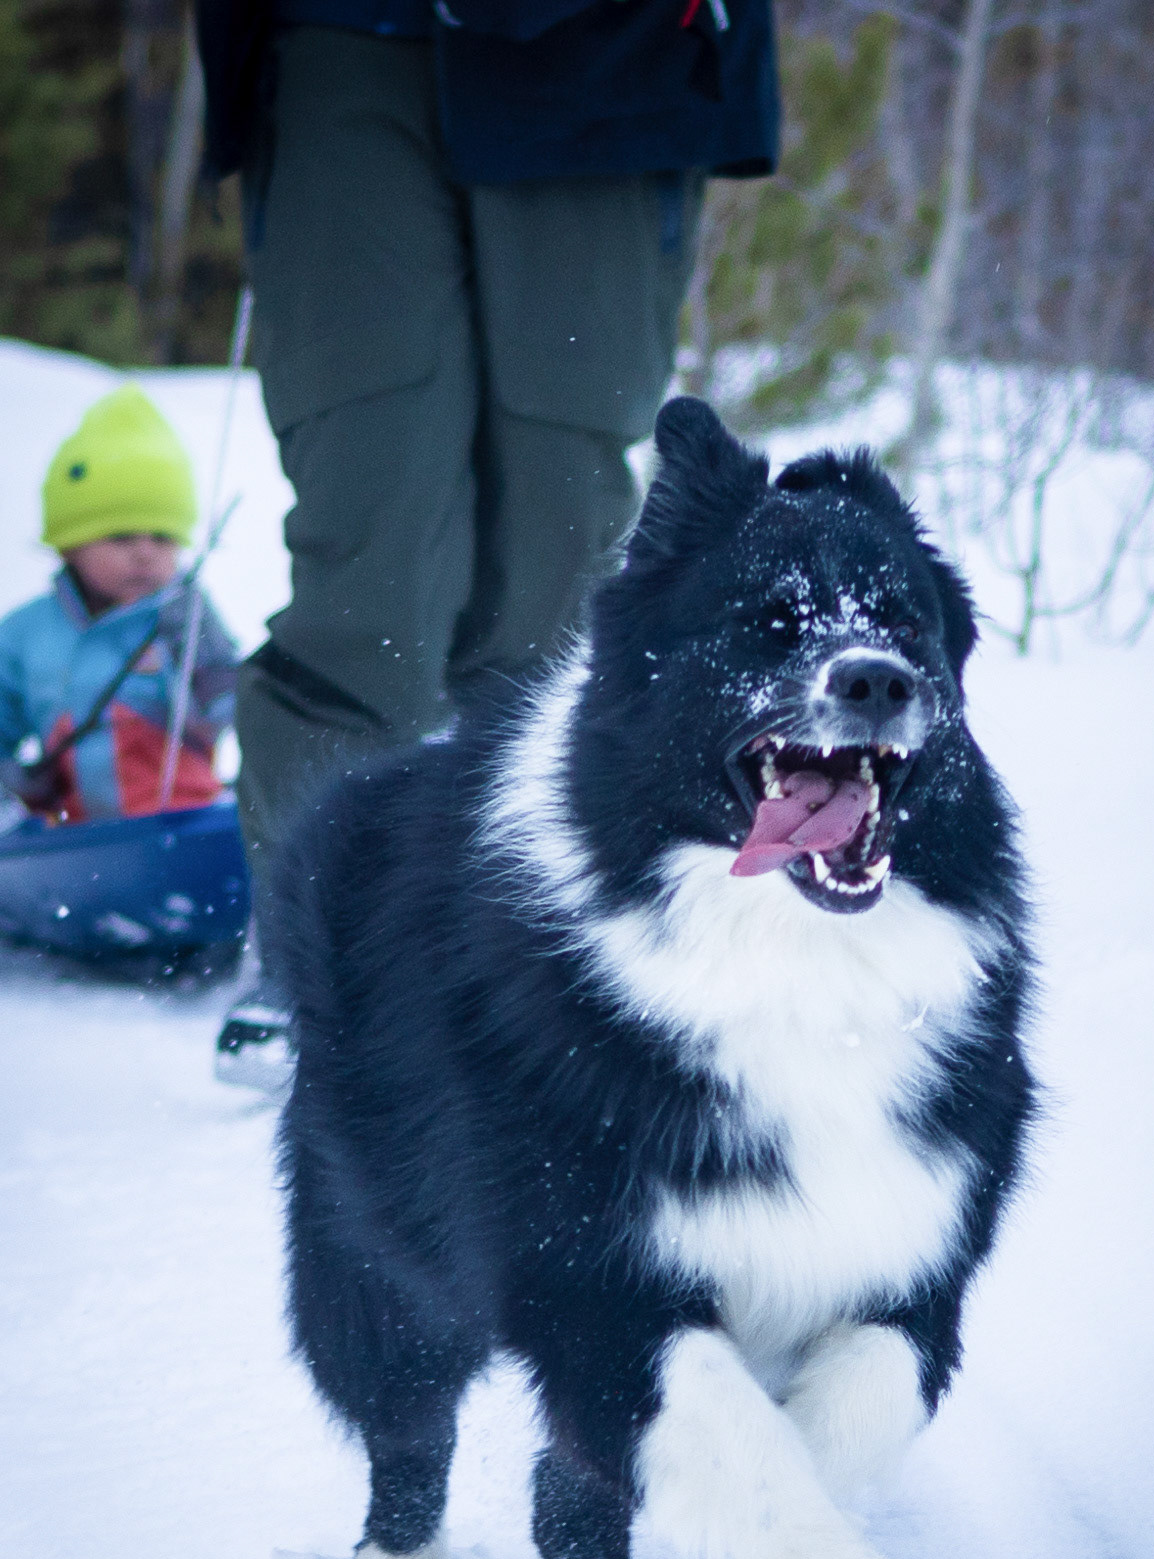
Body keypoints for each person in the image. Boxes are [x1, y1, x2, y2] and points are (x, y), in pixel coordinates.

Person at [197, 0, 779, 1088]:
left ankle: (526, 942)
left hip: (603, 55)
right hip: (341, 41)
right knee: (368, 555)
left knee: (551, 561)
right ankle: (321, 948)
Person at [0, 387, 237, 824]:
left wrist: (201, 658)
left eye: (163, 538)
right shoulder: (24, 636)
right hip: (75, 847)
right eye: (122, 536)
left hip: (191, 830)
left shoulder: (187, 617)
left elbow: (225, 713)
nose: (145, 553)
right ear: (69, 546)